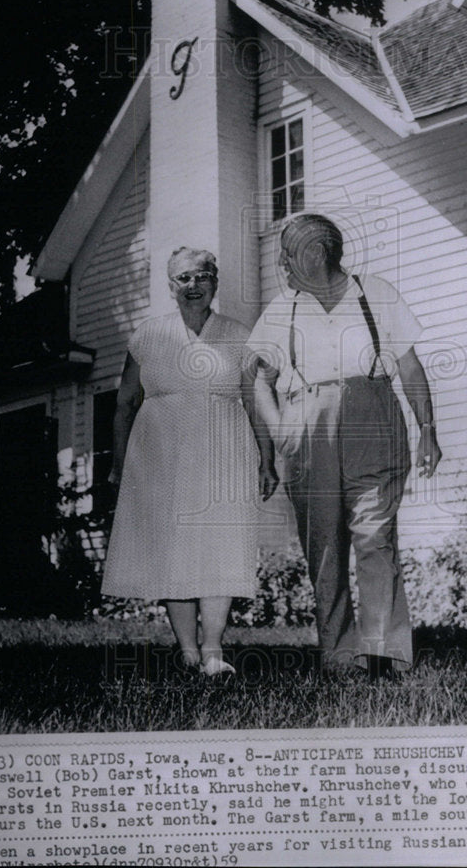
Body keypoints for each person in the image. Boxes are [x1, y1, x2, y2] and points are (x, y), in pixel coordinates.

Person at [244, 214, 442, 678]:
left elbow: (410, 370)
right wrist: (276, 437)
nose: (281, 264)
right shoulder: (281, 309)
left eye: (288, 254)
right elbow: (256, 381)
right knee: (325, 549)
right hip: (307, 425)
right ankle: (340, 658)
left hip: (372, 416)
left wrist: (428, 428)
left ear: (315, 255)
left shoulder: (376, 292)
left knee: (376, 538)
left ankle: (384, 655)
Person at [101, 248, 278, 675]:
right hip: (159, 453)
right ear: (170, 286)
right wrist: (119, 464)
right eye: (183, 278)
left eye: (202, 276)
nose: (193, 286)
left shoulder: (239, 334)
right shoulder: (147, 336)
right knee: (172, 548)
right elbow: (125, 403)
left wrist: (267, 459)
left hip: (224, 453)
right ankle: (187, 651)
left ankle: (214, 651)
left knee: (218, 544)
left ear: (215, 283)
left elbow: (255, 401)